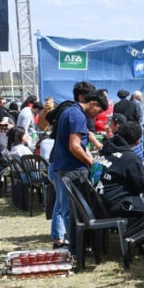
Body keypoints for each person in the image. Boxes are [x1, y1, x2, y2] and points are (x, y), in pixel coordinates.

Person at [48, 90, 109, 248]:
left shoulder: (69, 111)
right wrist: (91, 163)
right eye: (99, 111)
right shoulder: (78, 115)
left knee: (67, 208)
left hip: (63, 166)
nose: (96, 116)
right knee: (73, 210)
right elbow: (75, 146)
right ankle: (76, 247)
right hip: (72, 168)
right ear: (93, 103)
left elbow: (79, 144)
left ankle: (75, 244)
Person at [93, 122, 144, 217]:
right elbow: (143, 188)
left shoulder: (104, 150)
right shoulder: (131, 159)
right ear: (138, 142)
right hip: (114, 208)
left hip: (98, 204)